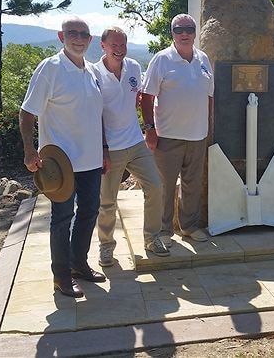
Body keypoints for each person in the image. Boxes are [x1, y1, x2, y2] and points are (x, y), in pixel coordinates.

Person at [19, 16, 108, 298]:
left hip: (91, 160)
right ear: (61, 36)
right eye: (72, 33)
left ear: (90, 39)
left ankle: (78, 264)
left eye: (83, 34)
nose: (78, 38)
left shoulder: (92, 71)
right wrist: (30, 150)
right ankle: (61, 277)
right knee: (62, 218)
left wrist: (104, 149)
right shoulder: (50, 69)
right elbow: (27, 112)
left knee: (89, 211)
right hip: (61, 164)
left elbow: (97, 115)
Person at [92, 26, 169, 261]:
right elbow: (93, 114)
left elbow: (141, 96)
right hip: (110, 147)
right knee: (107, 200)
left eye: (123, 45)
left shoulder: (134, 67)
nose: (119, 50)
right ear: (103, 46)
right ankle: (106, 246)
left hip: (135, 142)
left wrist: (149, 128)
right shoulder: (93, 73)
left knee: (155, 186)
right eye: (114, 45)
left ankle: (152, 237)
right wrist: (103, 148)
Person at [140, 13, 214, 246]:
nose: (184, 33)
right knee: (165, 186)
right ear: (172, 33)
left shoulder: (203, 59)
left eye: (189, 29)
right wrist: (150, 129)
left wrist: (208, 124)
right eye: (178, 29)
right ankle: (163, 230)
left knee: (192, 185)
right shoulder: (162, 60)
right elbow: (146, 97)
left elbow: (209, 95)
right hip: (167, 136)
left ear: (195, 33)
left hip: (197, 134)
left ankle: (189, 227)